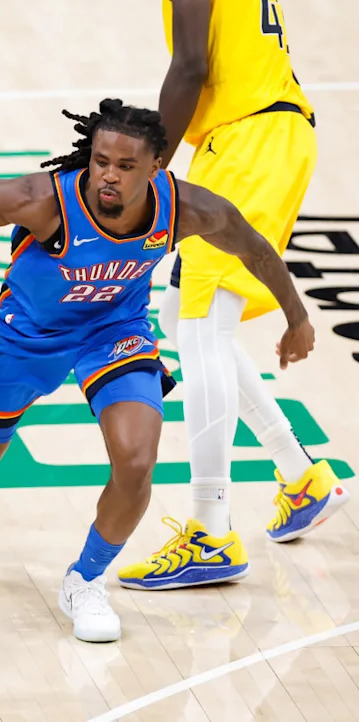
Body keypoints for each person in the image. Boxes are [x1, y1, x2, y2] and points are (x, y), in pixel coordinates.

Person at [0, 98, 315, 643]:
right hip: (28, 337)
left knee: (136, 462)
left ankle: (85, 580)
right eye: (101, 160)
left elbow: (253, 246)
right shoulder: (45, 202)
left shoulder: (182, 210)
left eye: (125, 166)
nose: (108, 175)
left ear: (156, 167)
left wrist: (296, 316)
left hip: (116, 331)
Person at [116, 0, 349, 592]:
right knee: (182, 314)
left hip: (251, 139)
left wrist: (148, 166)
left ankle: (211, 530)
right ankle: (301, 477)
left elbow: (191, 65)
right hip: (263, 134)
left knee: (200, 330)